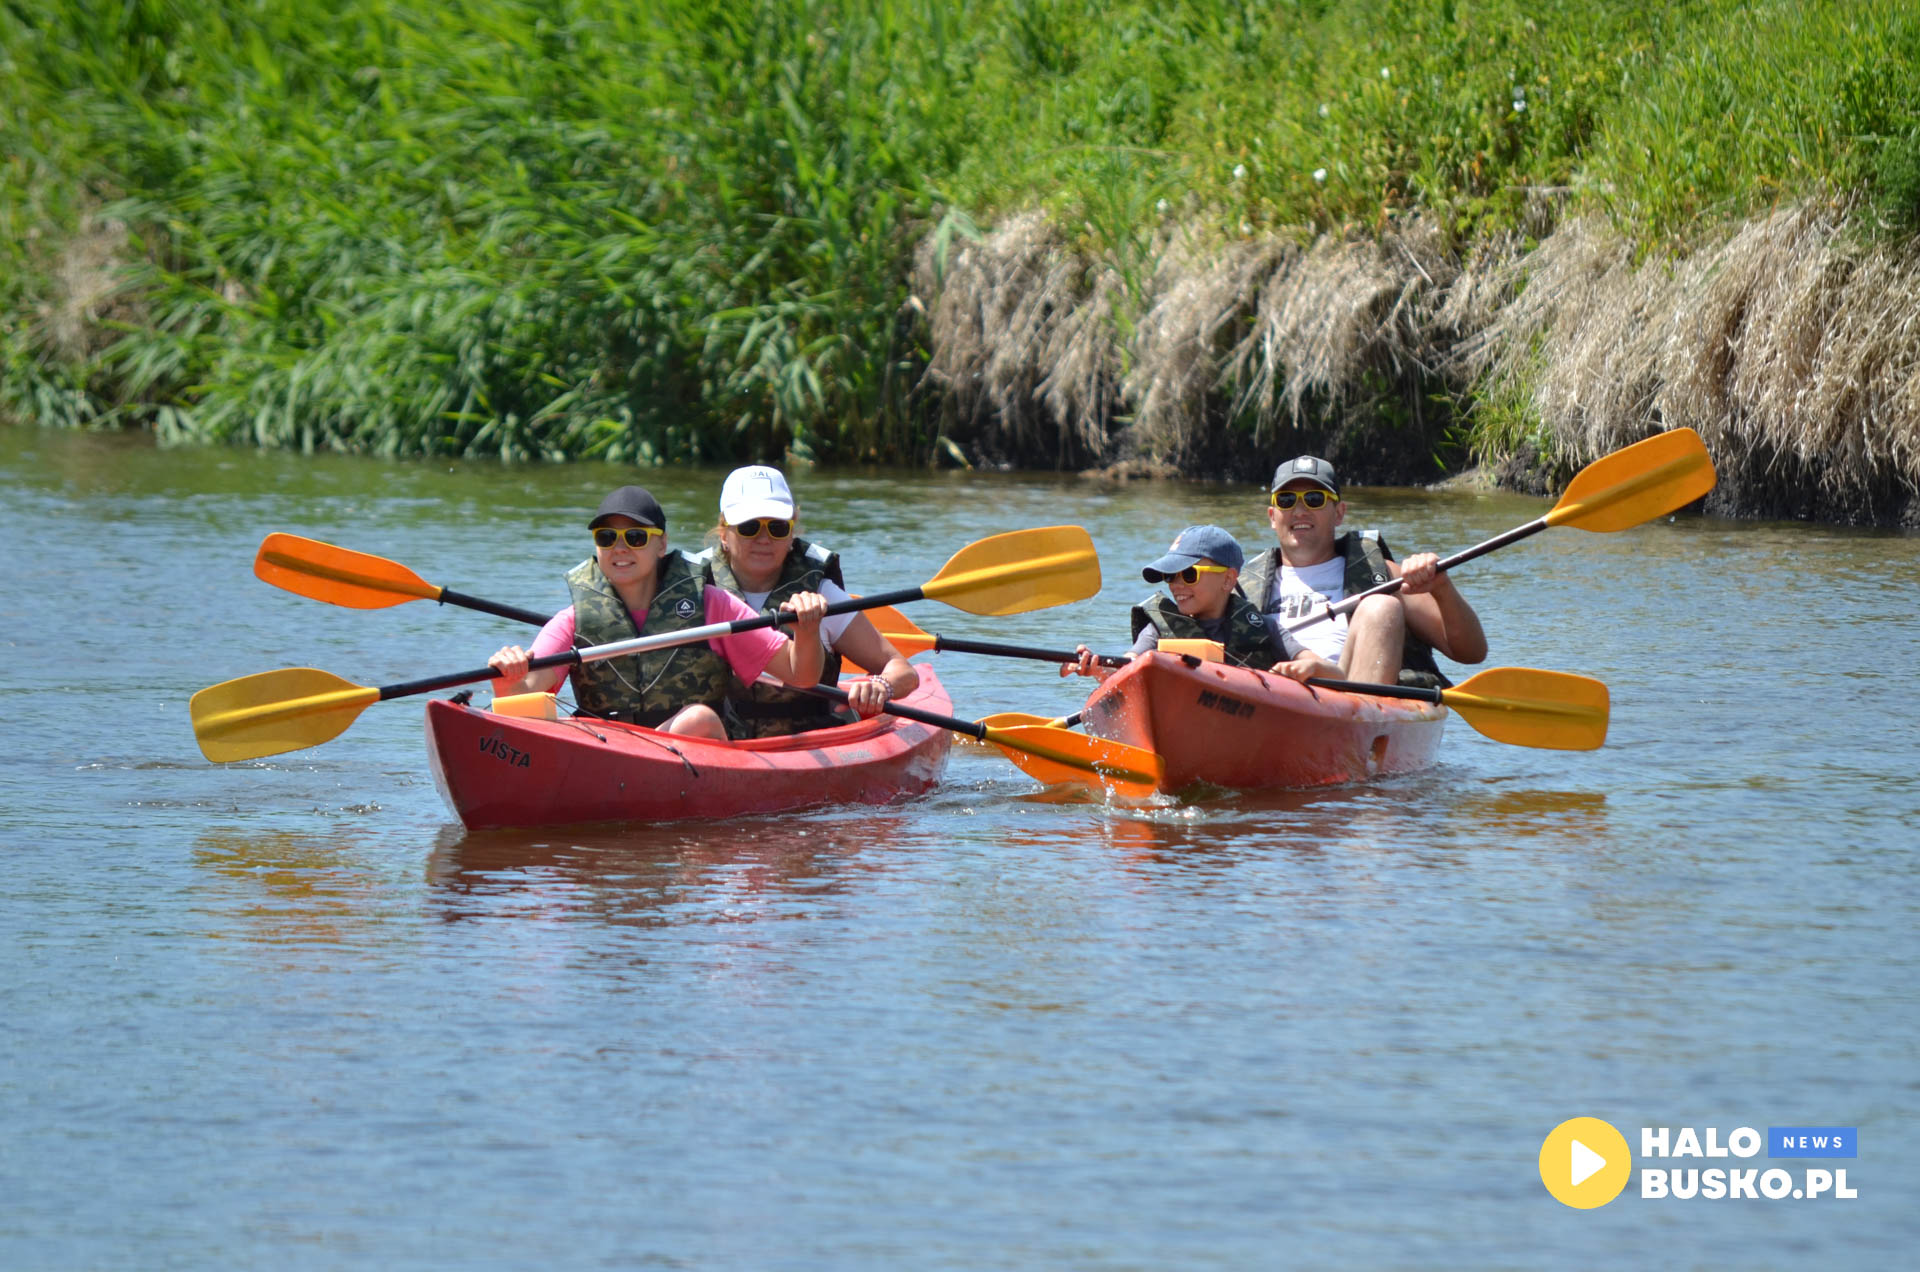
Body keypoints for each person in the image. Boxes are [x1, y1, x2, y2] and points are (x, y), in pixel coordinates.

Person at [486, 485, 830, 740]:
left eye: (636, 537)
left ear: (661, 544)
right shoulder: (573, 620)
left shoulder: (712, 605)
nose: (620, 548)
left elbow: (800, 675)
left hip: (698, 749)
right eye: (607, 537)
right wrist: (506, 680)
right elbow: (524, 701)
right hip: (607, 749)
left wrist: (807, 631)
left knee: (697, 719)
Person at [693, 465, 919, 737]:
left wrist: (882, 686)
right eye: (749, 527)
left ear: (791, 535)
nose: (764, 539)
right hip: (716, 741)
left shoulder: (822, 596)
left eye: (777, 528)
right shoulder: (695, 592)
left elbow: (903, 671)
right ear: (723, 534)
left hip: (810, 741)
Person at [1241, 455, 1486, 688]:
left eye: (1314, 499)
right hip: (1269, 697)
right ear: (1272, 516)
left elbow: (1471, 652)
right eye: (1286, 500)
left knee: (1381, 607)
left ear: (1339, 513)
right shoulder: (1239, 588)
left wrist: (1442, 588)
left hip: (1351, 700)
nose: (1299, 510)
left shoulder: (1383, 575)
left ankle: (1359, 712)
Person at [1061, 525, 1278, 678]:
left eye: (1189, 574)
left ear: (1228, 579)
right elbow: (1126, 665)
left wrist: (1296, 667)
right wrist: (1097, 667)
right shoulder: (1158, 630)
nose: (1176, 585)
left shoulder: (1265, 627)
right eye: (1171, 576)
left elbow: (1301, 660)